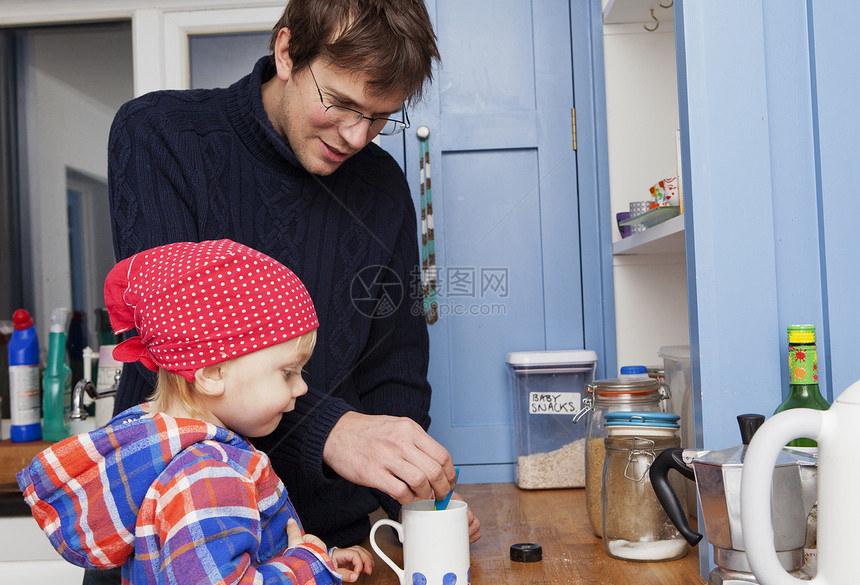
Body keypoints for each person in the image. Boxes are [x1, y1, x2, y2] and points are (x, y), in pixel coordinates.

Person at [107, 0, 480, 557]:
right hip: (176, 537)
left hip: (334, 550)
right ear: (286, 52)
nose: (356, 136)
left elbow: (393, 369)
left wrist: (414, 494)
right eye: (342, 103)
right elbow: (179, 344)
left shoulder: (381, 186)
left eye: (379, 117)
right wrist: (332, 430)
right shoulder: (161, 136)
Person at [18, 239, 374, 584]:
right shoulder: (207, 477)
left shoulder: (175, 453)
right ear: (211, 374)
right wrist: (307, 567)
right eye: (288, 372)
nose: (302, 388)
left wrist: (320, 559)